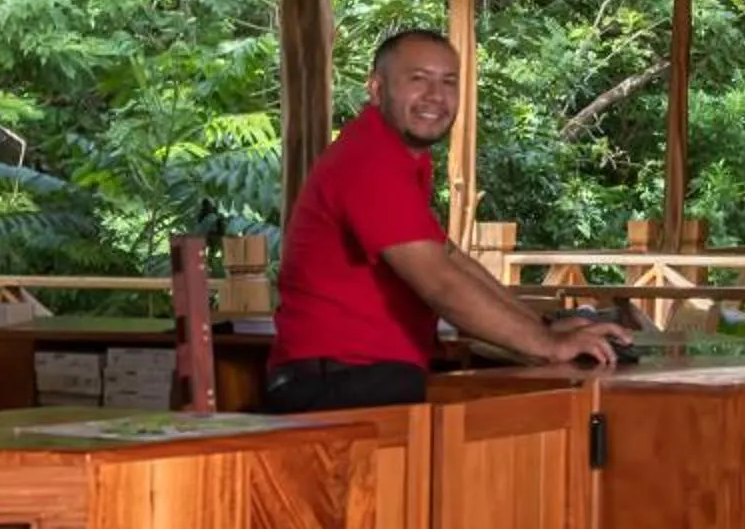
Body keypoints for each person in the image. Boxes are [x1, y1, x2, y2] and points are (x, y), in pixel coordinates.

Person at [265, 27, 629, 414]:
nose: (435, 96)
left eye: (448, 82)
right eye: (418, 79)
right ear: (376, 89)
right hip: (334, 385)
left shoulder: (400, 157)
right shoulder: (368, 161)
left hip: (370, 378)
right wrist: (546, 346)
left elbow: (449, 258)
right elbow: (440, 284)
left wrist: (543, 327)